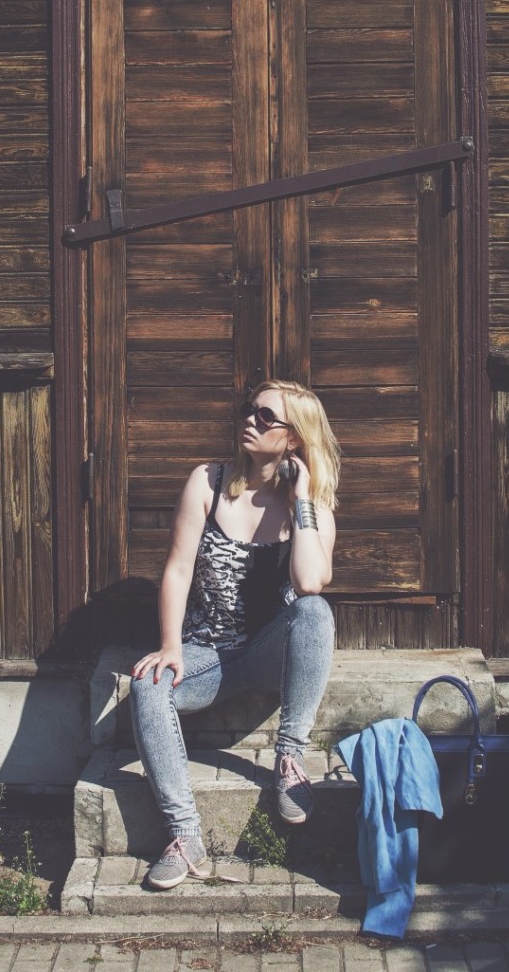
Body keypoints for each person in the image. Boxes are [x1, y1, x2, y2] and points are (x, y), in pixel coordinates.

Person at [130, 379, 341, 890]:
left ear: (293, 438)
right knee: (146, 686)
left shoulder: (308, 509)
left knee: (315, 611)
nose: (251, 420)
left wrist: (302, 498)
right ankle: (185, 836)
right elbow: (177, 571)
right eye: (250, 411)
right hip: (209, 656)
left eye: (267, 417)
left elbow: (310, 583)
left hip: (270, 657)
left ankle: (289, 757)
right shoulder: (208, 481)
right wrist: (171, 645)